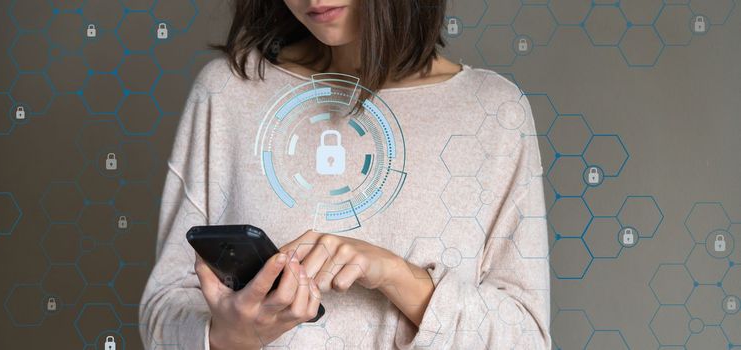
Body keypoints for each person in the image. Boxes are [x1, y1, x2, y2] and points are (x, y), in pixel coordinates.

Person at [139, 0, 551, 349]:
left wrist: (396, 276)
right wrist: (229, 335)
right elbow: (161, 313)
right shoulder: (229, 93)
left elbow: (527, 338)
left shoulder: (494, 113)